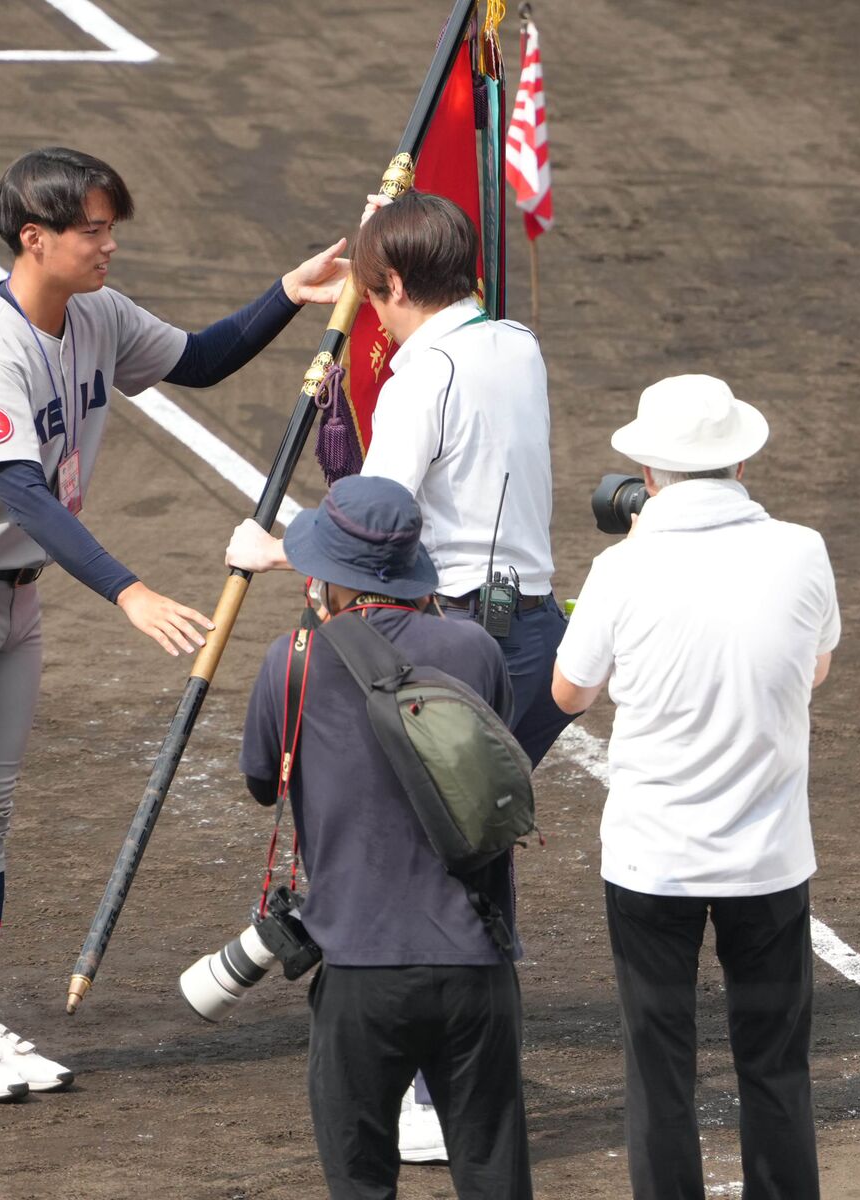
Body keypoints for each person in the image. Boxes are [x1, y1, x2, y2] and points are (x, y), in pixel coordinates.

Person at [0, 146, 349, 1102]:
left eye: (108, 226)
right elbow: (20, 493)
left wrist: (287, 293)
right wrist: (128, 590)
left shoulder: (94, 317)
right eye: (92, 230)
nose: (108, 244)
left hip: (14, 596)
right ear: (34, 238)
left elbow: (200, 361)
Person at [226, 189, 572, 1157]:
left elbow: (377, 514)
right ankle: (452, 1070)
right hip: (531, 635)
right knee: (469, 847)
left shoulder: (424, 374)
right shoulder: (516, 345)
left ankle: (426, 1091)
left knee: (415, 849)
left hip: (452, 644)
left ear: (387, 284)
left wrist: (279, 548)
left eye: (372, 291)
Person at [552, 374, 840, 1199]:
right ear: (741, 463)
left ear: (646, 474)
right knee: (776, 1067)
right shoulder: (802, 550)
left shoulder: (619, 566)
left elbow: (569, 694)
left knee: (658, 1068)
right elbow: (811, 668)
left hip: (652, 863)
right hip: (769, 860)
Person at [239, 474, 533, 1200]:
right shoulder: (475, 652)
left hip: (358, 970)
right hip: (474, 961)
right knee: (494, 1175)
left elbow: (259, 782)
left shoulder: (293, 661)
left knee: (361, 1183)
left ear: (327, 576)